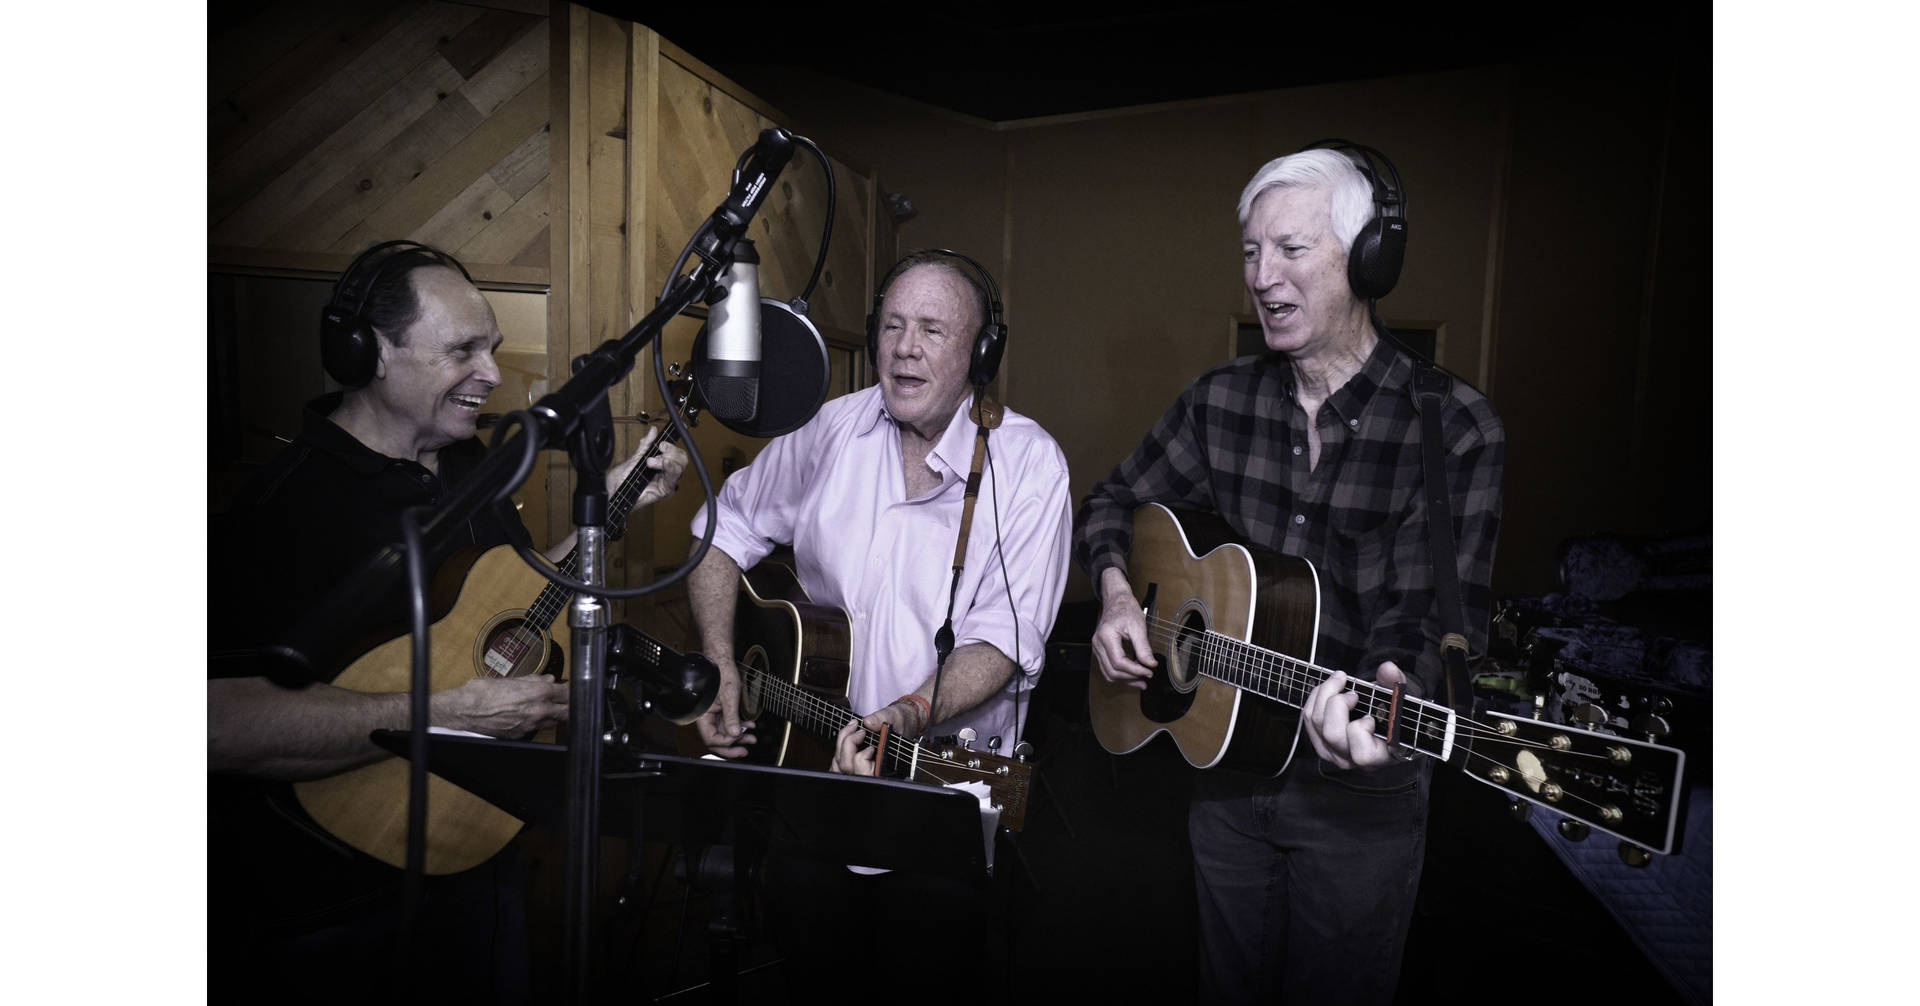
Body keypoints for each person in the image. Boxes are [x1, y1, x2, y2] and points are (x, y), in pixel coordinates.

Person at [1074, 146, 1505, 1003]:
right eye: (1250, 251)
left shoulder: (1452, 427)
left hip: (1359, 802)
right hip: (1226, 775)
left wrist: (1384, 707)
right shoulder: (1218, 401)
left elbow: (1431, 622)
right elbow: (1114, 499)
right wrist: (1119, 594)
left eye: (1290, 250)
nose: (1261, 275)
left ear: (1366, 258)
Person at [208, 241, 685, 1002]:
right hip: (331, 908)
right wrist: (441, 716)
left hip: (474, 861)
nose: (493, 374)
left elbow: (511, 603)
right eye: (462, 350)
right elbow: (215, 722)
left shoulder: (467, 466)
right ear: (367, 353)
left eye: (491, 348)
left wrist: (612, 508)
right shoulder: (281, 512)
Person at [685, 249, 1072, 981]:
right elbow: (719, 529)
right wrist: (718, 657)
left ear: (981, 352)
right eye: (892, 326)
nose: (904, 348)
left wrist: (908, 713)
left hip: (944, 792)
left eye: (931, 328)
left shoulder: (1030, 467)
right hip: (809, 780)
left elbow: (1001, 641)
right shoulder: (829, 429)